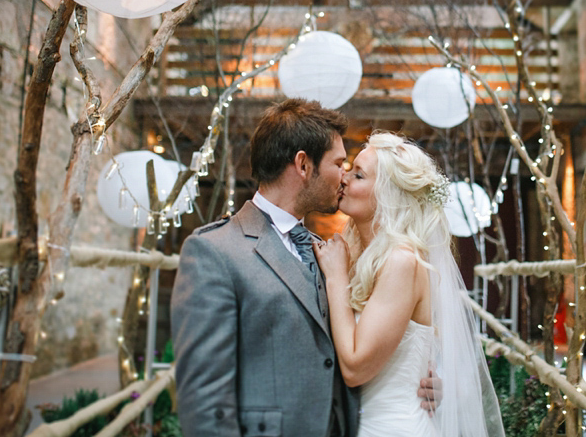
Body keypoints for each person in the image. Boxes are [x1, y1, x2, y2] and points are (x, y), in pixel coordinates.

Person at [170, 99, 437, 437]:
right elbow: (205, 402)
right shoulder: (215, 251)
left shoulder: (330, 253)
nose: (343, 177)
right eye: (340, 164)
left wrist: (419, 382)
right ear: (303, 165)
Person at [313, 132, 504, 437]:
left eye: (359, 175)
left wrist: (336, 280)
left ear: (389, 195)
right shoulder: (355, 256)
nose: (344, 179)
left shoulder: (402, 262)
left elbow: (355, 368)